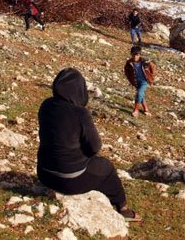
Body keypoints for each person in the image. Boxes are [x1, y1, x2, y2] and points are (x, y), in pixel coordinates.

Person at [37, 68, 142, 221]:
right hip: (69, 181)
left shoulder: (46, 105)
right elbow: (94, 147)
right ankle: (123, 208)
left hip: (44, 174)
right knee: (106, 167)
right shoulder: (79, 113)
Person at [124, 46, 156, 117]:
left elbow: (153, 67)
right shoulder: (129, 63)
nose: (135, 56)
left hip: (144, 81)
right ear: (131, 55)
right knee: (141, 95)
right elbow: (127, 73)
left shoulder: (145, 62)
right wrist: (131, 80)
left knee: (139, 93)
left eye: (137, 55)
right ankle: (146, 109)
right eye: (134, 55)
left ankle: (136, 110)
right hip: (136, 82)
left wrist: (151, 76)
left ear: (140, 55)